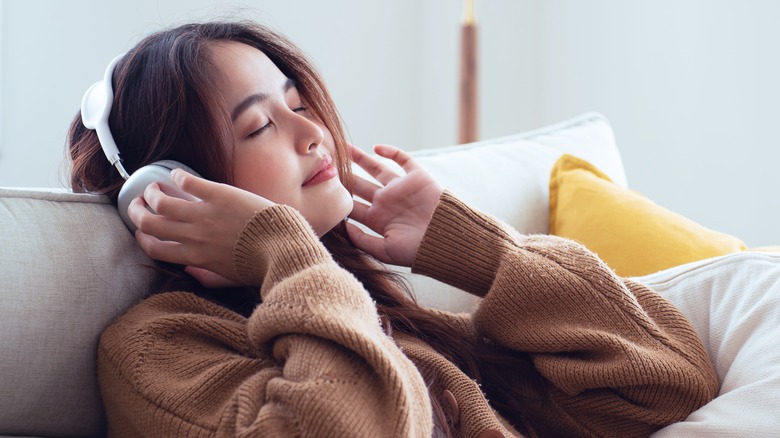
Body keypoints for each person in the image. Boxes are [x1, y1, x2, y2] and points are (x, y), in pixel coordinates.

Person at [67, 21, 718, 437]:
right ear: (171, 189)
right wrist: (281, 248)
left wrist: (479, 252)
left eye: (298, 103)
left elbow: (665, 385)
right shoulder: (158, 349)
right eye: (259, 125)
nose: (313, 132)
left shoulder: (407, 331)